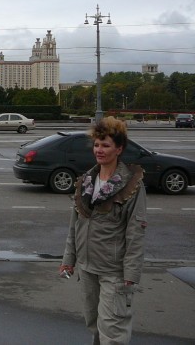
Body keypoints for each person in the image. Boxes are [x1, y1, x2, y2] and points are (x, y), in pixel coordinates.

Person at [60, 117, 147, 344]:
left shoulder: (131, 184)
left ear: (119, 149)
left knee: (113, 329)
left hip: (114, 271)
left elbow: (135, 232)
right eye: (97, 145)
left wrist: (131, 274)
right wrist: (69, 259)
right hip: (88, 268)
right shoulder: (87, 180)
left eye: (106, 145)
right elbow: (75, 224)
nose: (99, 150)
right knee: (94, 324)